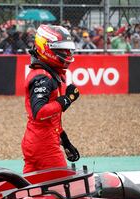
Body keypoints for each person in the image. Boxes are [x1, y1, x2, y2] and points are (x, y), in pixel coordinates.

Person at [21, 24, 80, 174]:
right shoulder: (42, 77)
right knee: (63, 189)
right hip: (44, 145)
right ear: (46, 48)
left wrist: (65, 142)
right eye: (61, 49)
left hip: (37, 141)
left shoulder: (50, 73)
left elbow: (52, 120)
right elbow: (40, 112)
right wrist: (66, 100)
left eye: (67, 49)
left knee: (28, 192)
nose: (66, 53)